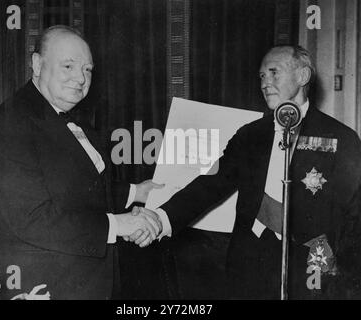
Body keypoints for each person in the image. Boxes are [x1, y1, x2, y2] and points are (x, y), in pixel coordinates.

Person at [135, 45, 361, 299]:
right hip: (248, 263)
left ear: (303, 76)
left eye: (274, 72)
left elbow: (355, 218)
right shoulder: (250, 135)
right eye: (262, 76)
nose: (266, 82)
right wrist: (161, 219)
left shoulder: (340, 139)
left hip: (311, 268)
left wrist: (345, 278)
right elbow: (210, 185)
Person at [0, 25, 163, 300]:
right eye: (68, 66)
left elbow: (81, 191)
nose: (80, 78)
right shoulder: (8, 123)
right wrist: (119, 225)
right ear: (37, 64)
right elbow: (31, 219)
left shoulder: (78, 124)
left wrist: (138, 192)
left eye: (88, 70)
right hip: (45, 286)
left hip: (92, 284)